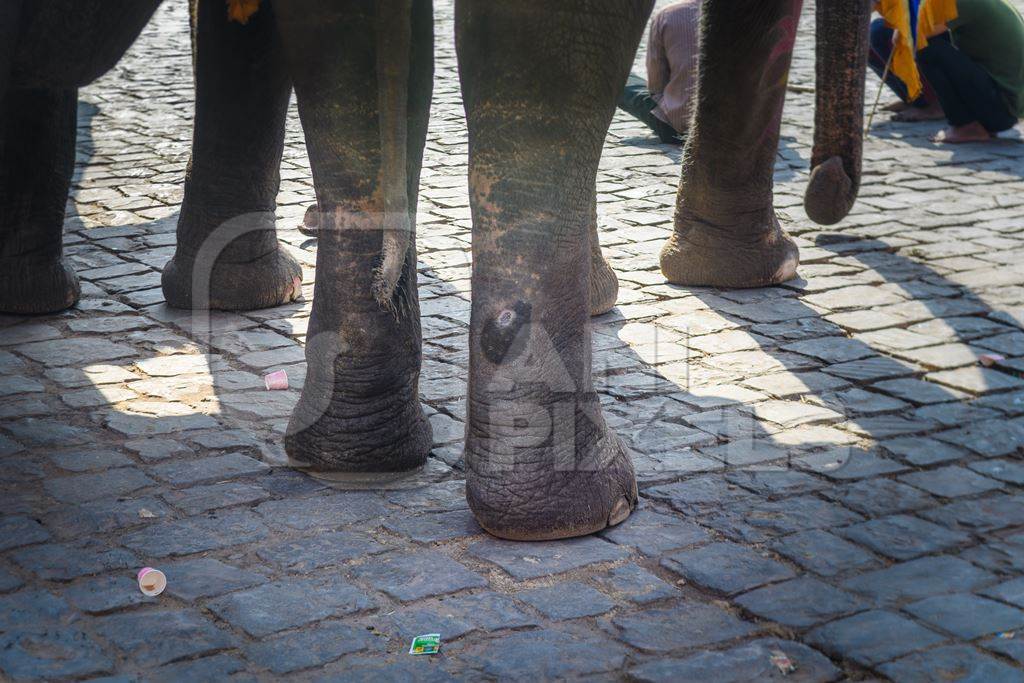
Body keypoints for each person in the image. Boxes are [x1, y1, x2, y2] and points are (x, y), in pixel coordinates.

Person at [870, 0, 1024, 143]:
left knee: (927, 48)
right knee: (880, 30)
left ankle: (966, 126)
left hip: (1002, 112)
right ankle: (923, 99)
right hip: (1001, 103)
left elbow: (908, 37)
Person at [617, 0, 701, 144]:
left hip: (679, 129)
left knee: (620, 77)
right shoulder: (749, 15)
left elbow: (656, 86)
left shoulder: (669, 15)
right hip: (740, 130)